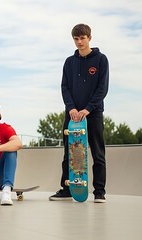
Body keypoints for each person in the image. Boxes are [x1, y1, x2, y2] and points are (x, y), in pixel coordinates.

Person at [49, 23, 109, 203]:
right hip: (72, 115)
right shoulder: (69, 62)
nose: (79, 42)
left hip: (93, 113)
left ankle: (99, 191)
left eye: (82, 38)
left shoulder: (101, 60)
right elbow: (64, 87)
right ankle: (67, 188)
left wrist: (88, 109)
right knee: (70, 152)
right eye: (76, 39)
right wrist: (72, 109)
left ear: (89, 38)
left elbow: (102, 88)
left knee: (97, 152)